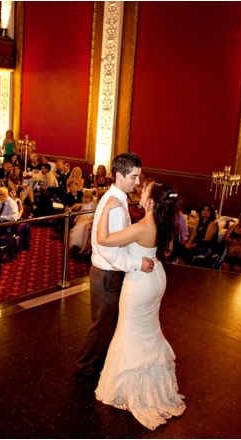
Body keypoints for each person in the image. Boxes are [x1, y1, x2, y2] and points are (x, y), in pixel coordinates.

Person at [93, 179, 186, 429]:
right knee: (149, 330)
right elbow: (166, 250)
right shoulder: (164, 222)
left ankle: (132, 386)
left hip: (140, 286)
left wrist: (105, 211)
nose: (140, 191)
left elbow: (104, 239)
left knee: (131, 330)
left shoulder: (144, 225)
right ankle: (155, 381)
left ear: (152, 201)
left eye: (144, 190)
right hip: (156, 277)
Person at [74, 152, 153, 379]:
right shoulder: (115, 204)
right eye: (134, 177)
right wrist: (138, 263)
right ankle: (84, 366)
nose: (137, 182)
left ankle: (97, 362)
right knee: (101, 325)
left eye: (139, 177)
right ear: (119, 175)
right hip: (106, 274)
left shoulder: (117, 199)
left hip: (108, 273)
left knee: (106, 323)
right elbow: (109, 250)